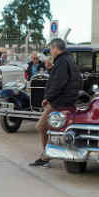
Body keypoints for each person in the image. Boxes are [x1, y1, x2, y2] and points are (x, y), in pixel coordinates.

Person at [30, 38, 82, 167]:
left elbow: (58, 83)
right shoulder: (68, 60)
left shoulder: (61, 62)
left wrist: (48, 98)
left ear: (55, 48)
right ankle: (52, 154)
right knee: (56, 128)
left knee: (41, 127)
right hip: (69, 100)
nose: (51, 53)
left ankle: (46, 156)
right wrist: (50, 69)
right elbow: (74, 80)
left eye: (51, 50)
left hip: (59, 101)